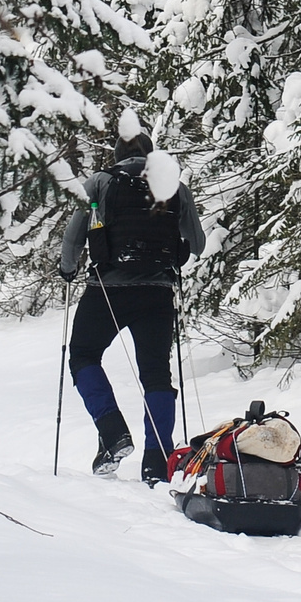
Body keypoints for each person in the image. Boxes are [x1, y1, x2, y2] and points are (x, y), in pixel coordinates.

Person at [58, 131, 205, 483]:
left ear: (116, 154)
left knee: (83, 354)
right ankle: (157, 460)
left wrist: (67, 268)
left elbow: (73, 235)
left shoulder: (100, 182)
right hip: (157, 291)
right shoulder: (173, 187)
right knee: (155, 373)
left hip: (107, 289)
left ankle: (112, 431)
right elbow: (197, 242)